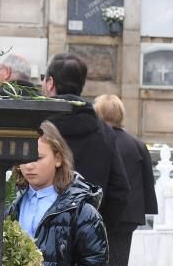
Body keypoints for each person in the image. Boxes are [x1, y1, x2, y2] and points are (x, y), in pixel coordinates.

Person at [6, 120, 108, 266]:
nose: (29, 166)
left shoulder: (82, 210)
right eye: (24, 158)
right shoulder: (12, 204)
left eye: (38, 158)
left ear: (59, 158)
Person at [93, 95, 158, 266]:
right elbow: (147, 182)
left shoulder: (98, 143)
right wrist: (145, 210)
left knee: (92, 264)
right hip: (126, 216)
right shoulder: (137, 144)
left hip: (98, 212)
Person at [42, 53, 130, 231]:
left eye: (44, 79)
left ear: (51, 83)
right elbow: (119, 190)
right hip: (86, 230)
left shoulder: (38, 127)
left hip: (40, 228)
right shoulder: (105, 132)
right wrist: (98, 227)